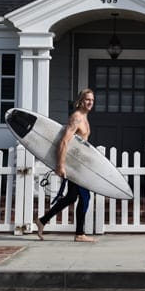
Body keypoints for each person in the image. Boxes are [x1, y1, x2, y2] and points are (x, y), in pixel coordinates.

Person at [34, 88, 96, 242]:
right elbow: (64, 141)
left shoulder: (84, 117)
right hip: (72, 165)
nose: (90, 102)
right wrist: (60, 165)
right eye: (87, 99)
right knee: (84, 197)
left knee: (71, 197)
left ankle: (42, 221)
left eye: (92, 100)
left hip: (79, 164)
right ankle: (80, 234)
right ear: (81, 100)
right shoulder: (76, 118)